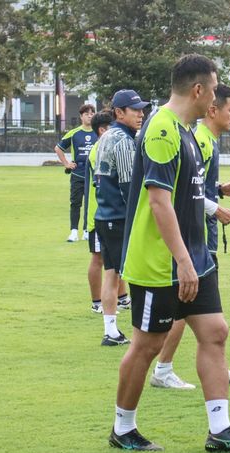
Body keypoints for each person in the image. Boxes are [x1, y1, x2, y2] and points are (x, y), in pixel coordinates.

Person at [111, 54, 230, 453]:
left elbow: (188, 194)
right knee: (148, 345)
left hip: (196, 256)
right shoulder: (162, 129)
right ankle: (123, 428)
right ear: (198, 90)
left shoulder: (188, 131)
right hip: (160, 262)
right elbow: (160, 203)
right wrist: (181, 261)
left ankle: (221, 430)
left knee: (215, 333)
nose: (215, 98)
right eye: (214, 90)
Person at [148, 84, 230, 389]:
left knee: (208, 315)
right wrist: (215, 208)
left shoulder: (208, 141)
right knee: (186, 308)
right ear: (213, 109)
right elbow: (182, 192)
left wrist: (218, 190)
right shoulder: (199, 139)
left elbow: (199, 186)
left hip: (203, 236)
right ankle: (163, 369)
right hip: (196, 238)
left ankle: (217, 366)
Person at [94, 89, 148, 346]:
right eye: (135, 109)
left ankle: (111, 329)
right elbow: (130, 188)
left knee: (112, 273)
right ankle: (126, 330)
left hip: (104, 215)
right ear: (119, 112)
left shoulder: (106, 136)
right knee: (128, 274)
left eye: (141, 109)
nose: (141, 114)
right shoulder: (125, 141)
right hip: (120, 217)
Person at [83, 110, 131, 314]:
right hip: (102, 213)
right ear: (103, 129)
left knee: (114, 264)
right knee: (100, 259)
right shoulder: (101, 148)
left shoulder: (106, 144)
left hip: (106, 213)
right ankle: (97, 302)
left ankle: (121, 298)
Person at [55, 103, 96, 242]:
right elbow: (58, 148)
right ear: (81, 116)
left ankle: (87, 230)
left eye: (92, 113)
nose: (90, 116)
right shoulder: (74, 133)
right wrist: (66, 163)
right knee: (75, 203)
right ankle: (73, 231)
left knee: (91, 203)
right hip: (77, 173)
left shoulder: (99, 132)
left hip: (93, 174)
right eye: (86, 114)